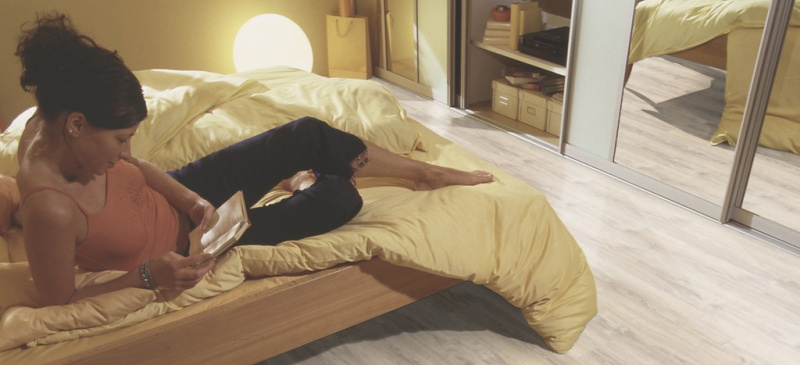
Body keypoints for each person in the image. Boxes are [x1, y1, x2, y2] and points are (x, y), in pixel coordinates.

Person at [14, 13, 493, 307]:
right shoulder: (50, 206)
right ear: (76, 126)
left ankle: (424, 173)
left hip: (187, 196)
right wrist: (148, 275)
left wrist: (192, 199)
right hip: (189, 247)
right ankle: (302, 184)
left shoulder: (54, 117)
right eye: (120, 140)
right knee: (341, 199)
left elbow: (138, 170)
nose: (126, 152)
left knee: (305, 131)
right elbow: (61, 298)